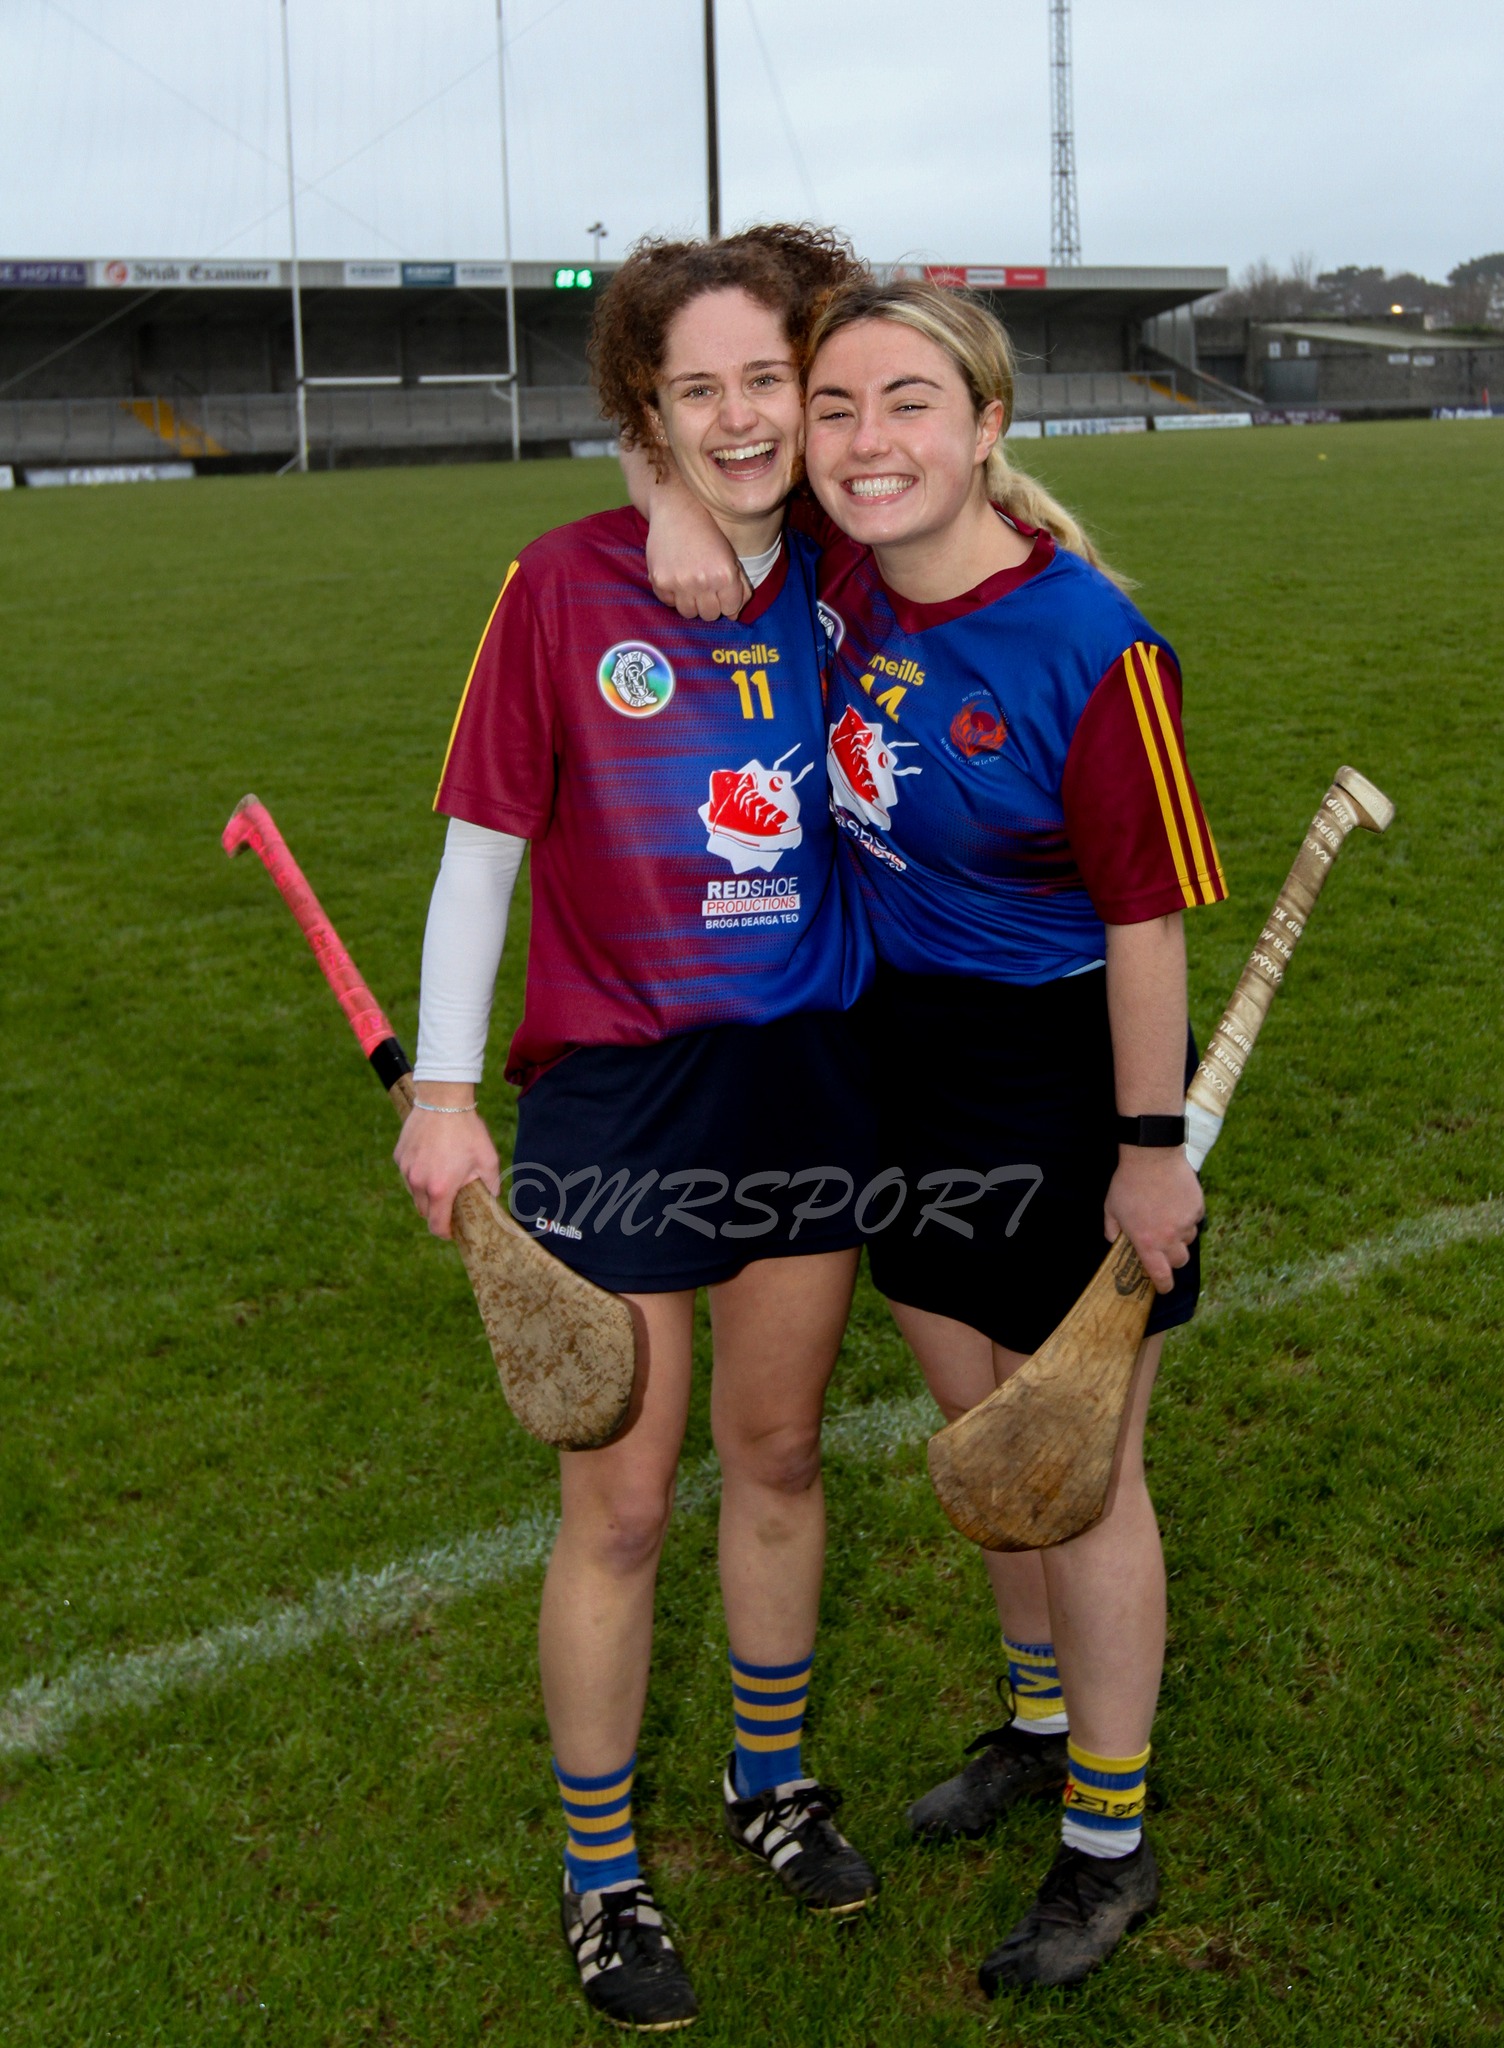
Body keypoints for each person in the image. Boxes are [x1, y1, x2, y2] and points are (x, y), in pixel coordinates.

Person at [642, 276, 1227, 1997]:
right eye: (837, 411)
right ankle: (1040, 1727)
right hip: (898, 1056)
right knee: (984, 1435)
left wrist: (1147, 1145)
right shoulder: (833, 574)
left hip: (1067, 1073)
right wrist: (677, 485)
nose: (861, 441)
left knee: (1088, 1473)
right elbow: (672, 442)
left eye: (908, 405)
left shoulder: (1094, 647)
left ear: (987, 429)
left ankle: (1105, 1845)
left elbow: (1148, 928)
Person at [394, 227, 884, 2035]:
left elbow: (972, 475)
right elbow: (480, 852)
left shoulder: (854, 567)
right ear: (644, 407)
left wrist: (725, 510)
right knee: (615, 1499)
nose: (745, 417)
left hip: (812, 1075)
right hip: (619, 1089)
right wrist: (443, 1097)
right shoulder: (563, 582)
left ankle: (769, 1783)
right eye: (700, 391)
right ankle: (605, 1879)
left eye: (771, 378)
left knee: (777, 1455)